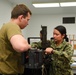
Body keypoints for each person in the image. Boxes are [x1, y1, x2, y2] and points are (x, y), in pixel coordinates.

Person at [0, 4, 32, 75]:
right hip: (9, 72)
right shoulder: (12, 26)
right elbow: (21, 47)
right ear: (21, 18)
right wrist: (29, 46)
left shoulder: (7, 26)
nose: (28, 23)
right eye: (27, 20)